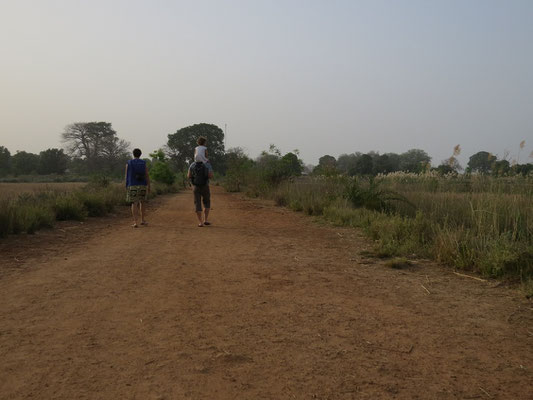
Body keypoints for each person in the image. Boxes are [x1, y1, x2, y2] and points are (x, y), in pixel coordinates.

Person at [125, 148, 150, 228]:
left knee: (134, 203)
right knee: (142, 202)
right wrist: (149, 185)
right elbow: (147, 175)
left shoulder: (129, 163)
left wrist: (126, 185)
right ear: (140, 154)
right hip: (142, 185)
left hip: (132, 185)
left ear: (133, 154)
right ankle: (142, 220)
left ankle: (135, 222)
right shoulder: (143, 163)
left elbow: (126, 176)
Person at [187, 158, 214, 227]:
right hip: (205, 186)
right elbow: (210, 176)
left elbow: (189, 176)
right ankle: (205, 220)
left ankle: (200, 222)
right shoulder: (207, 164)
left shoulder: (192, 164)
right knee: (207, 202)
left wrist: (194, 178)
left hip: (196, 187)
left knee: (197, 203)